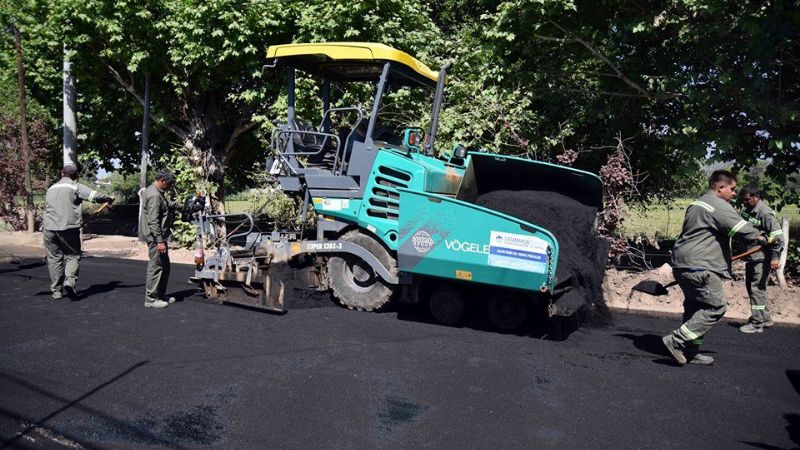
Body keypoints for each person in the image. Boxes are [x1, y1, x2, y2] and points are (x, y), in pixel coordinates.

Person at [662, 170, 766, 366]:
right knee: (716, 306)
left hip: (684, 263)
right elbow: (741, 229)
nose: (735, 194)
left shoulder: (697, 203)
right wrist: (762, 237)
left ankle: (690, 351)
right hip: (701, 266)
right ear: (721, 188)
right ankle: (676, 340)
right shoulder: (717, 204)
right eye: (732, 189)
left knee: (695, 308)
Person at [43, 164, 114, 299]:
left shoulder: (51, 188)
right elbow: (95, 196)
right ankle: (69, 282)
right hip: (68, 229)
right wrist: (108, 198)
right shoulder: (75, 187)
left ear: (61, 173)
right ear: (76, 176)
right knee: (73, 256)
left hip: (49, 229)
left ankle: (56, 291)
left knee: (54, 259)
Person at [737, 186, 785, 333]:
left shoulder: (765, 213)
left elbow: (778, 238)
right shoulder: (748, 211)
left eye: (747, 199)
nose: (744, 202)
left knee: (757, 288)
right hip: (751, 256)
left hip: (762, 257)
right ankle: (765, 317)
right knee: (751, 287)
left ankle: (757, 324)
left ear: (756, 197)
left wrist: (775, 258)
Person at [139, 169, 178, 308]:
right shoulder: (155, 195)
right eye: (169, 184)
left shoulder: (156, 192)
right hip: (155, 238)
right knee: (156, 267)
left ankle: (160, 293)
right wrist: (160, 241)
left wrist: (180, 204)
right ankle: (150, 299)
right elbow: (153, 221)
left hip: (158, 237)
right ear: (163, 181)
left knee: (165, 267)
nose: (170, 187)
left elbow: (165, 206)